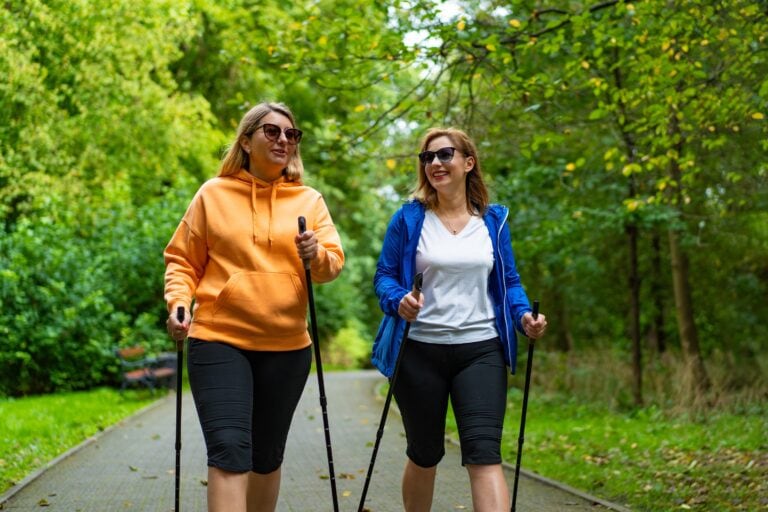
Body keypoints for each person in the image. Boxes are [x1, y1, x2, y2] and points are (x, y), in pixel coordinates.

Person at [164, 101, 344, 512]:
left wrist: (315, 253)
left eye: (291, 134)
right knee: (229, 449)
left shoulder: (309, 200)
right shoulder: (213, 194)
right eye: (272, 131)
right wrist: (179, 303)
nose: (283, 140)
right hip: (219, 339)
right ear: (246, 141)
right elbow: (182, 260)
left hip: (287, 347)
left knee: (266, 457)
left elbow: (331, 266)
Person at [371, 127, 547, 511]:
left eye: (445, 154)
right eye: (427, 157)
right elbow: (384, 276)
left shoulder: (493, 221)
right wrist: (399, 300)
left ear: (468, 163)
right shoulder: (408, 219)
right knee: (424, 453)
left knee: (484, 454)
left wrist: (523, 317)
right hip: (418, 352)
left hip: (480, 351)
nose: (435, 162)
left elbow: (509, 282)